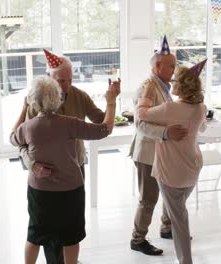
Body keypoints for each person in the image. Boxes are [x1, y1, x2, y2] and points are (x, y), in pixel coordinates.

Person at [19, 49, 120, 263]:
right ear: (49, 78)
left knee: (67, 228)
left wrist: (111, 101)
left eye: (70, 79)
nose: (65, 86)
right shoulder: (35, 101)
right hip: (43, 174)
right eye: (61, 80)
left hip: (74, 166)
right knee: (46, 231)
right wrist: (33, 164)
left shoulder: (79, 96)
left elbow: (101, 120)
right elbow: (21, 143)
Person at [137, 60, 208, 264]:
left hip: (171, 173)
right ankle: (171, 237)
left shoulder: (169, 108)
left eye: (177, 80)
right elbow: (202, 128)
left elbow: (141, 115)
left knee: (179, 220)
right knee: (177, 212)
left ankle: (186, 260)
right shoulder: (201, 108)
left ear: (181, 86)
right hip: (192, 170)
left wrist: (147, 94)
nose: (173, 81)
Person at [129, 35, 188, 256]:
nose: (174, 69)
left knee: (169, 192)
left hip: (163, 152)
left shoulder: (164, 87)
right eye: (171, 66)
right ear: (157, 66)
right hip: (147, 153)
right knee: (148, 198)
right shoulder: (148, 88)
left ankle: (167, 227)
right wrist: (166, 132)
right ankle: (137, 238)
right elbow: (140, 124)